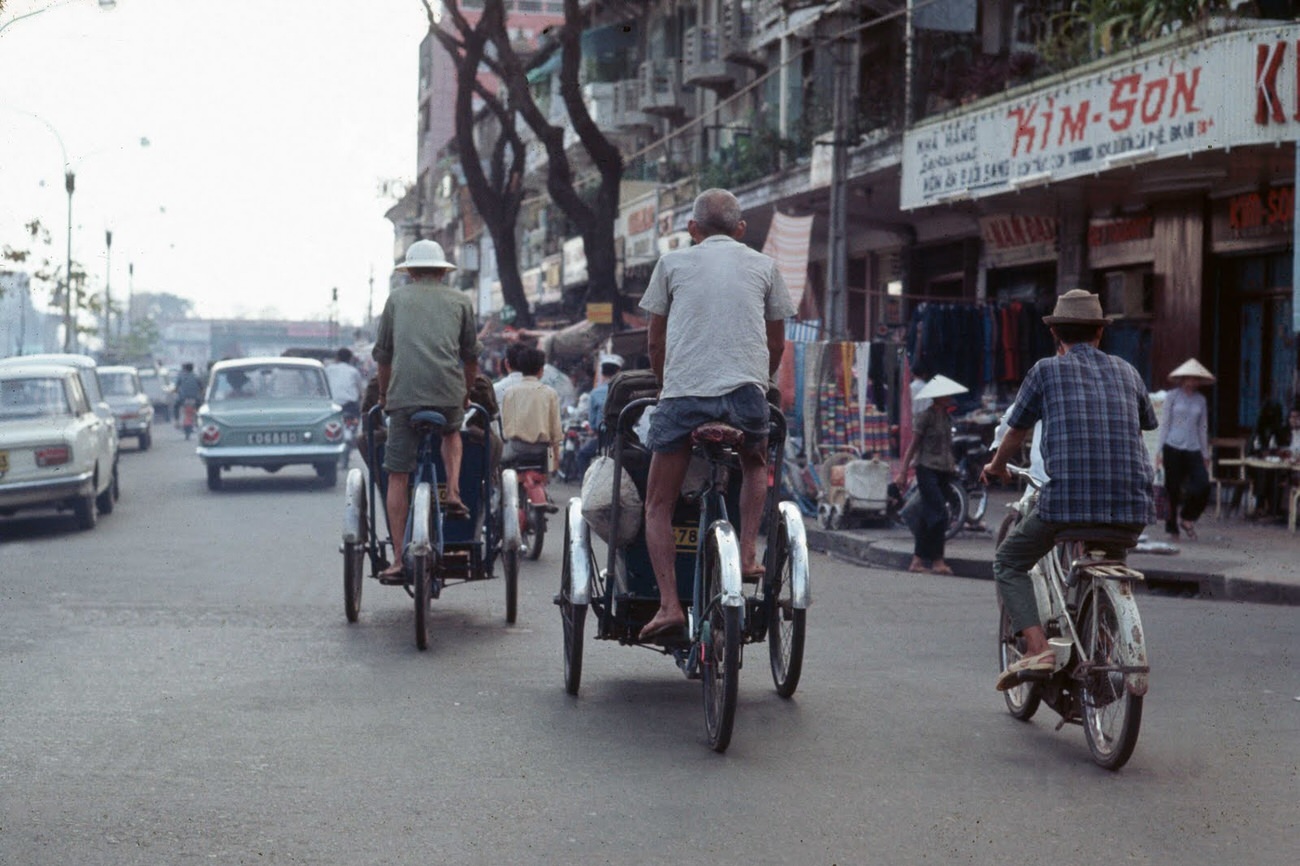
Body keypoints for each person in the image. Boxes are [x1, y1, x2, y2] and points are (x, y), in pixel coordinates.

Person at [635, 188, 796, 641]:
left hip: (683, 398)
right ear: (741, 230)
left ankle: (669, 605)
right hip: (745, 396)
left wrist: (670, 386)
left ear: (692, 229)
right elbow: (777, 344)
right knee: (755, 461)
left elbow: (655, 344)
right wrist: (757, 385)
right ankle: (747, 552)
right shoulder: (765, 266)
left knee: (658, 504)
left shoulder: (672, 264)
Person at [981, 289, 1157, 691]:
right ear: (1099, 332)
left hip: (1065, 505)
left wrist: (996, 466)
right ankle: (1105, 640)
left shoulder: (1045, 370)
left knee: (1009, 561)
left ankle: (1038, 647)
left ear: (1056, 334)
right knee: (1108, 557)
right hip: (1133, 508)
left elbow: (1015, 431)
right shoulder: (1128, 372)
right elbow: (1147, 422)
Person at [372, 239, 481, 578]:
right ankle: (455, 491)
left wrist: (385, 395)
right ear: (442, 272)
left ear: (412, 272)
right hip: (449, 393)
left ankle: (399, 559)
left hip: (403, 397)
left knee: (398, 475)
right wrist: (463, 394)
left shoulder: (396, 299)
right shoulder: (461, 301)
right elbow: (471, 357)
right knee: (452, 432)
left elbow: (384, 357)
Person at [896, 374, 968, 575]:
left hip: (944, 470)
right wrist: (903, 471)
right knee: (939, 514)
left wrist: (952, 464)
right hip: (926, 468)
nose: (950, 397)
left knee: (930, 516)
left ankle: (918, 561)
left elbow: (947, 446)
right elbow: (914, 444)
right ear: (939, 396)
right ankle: (937, 561)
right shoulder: (926, 416)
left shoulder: (946, 417)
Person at [1156, 358, 1214, 540]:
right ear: (1182, 379)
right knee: (1172, 489)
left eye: (1196, 379)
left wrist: (1205, 454)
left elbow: (1202, 428)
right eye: (1189, 378)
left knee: (1203, 484)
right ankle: (1172, 528)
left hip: (1193, 447)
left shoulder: (1201, 400)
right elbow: (1164, 424)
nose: (1192, 382)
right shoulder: (1172, 396)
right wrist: (1158, 452)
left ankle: (1188, 517)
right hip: (1172, 446)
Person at [499, 346, 563, 470]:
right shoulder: (550, 392)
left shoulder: (509, 392)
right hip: (543, 450)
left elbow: (504, 425)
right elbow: (556, 432)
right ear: (541, 370)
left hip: (515, 448)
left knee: (504, 471)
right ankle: (546, 478)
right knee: (549, 470)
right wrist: (555, 460)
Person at [575, 353, 623, 477]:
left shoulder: (595, 393)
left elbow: (591, 421)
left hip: (602, 437)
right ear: (619, 371)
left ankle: (584, 484)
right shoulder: (623, 390)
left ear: (602, 373)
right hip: (623, 436)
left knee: (582, 455)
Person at [325, 347, 366, 416]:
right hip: (350, 406)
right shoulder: (354, 371)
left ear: (337, 358)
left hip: (331, 405)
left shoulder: (328, 369)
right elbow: (360, 392)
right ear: (350, 359)